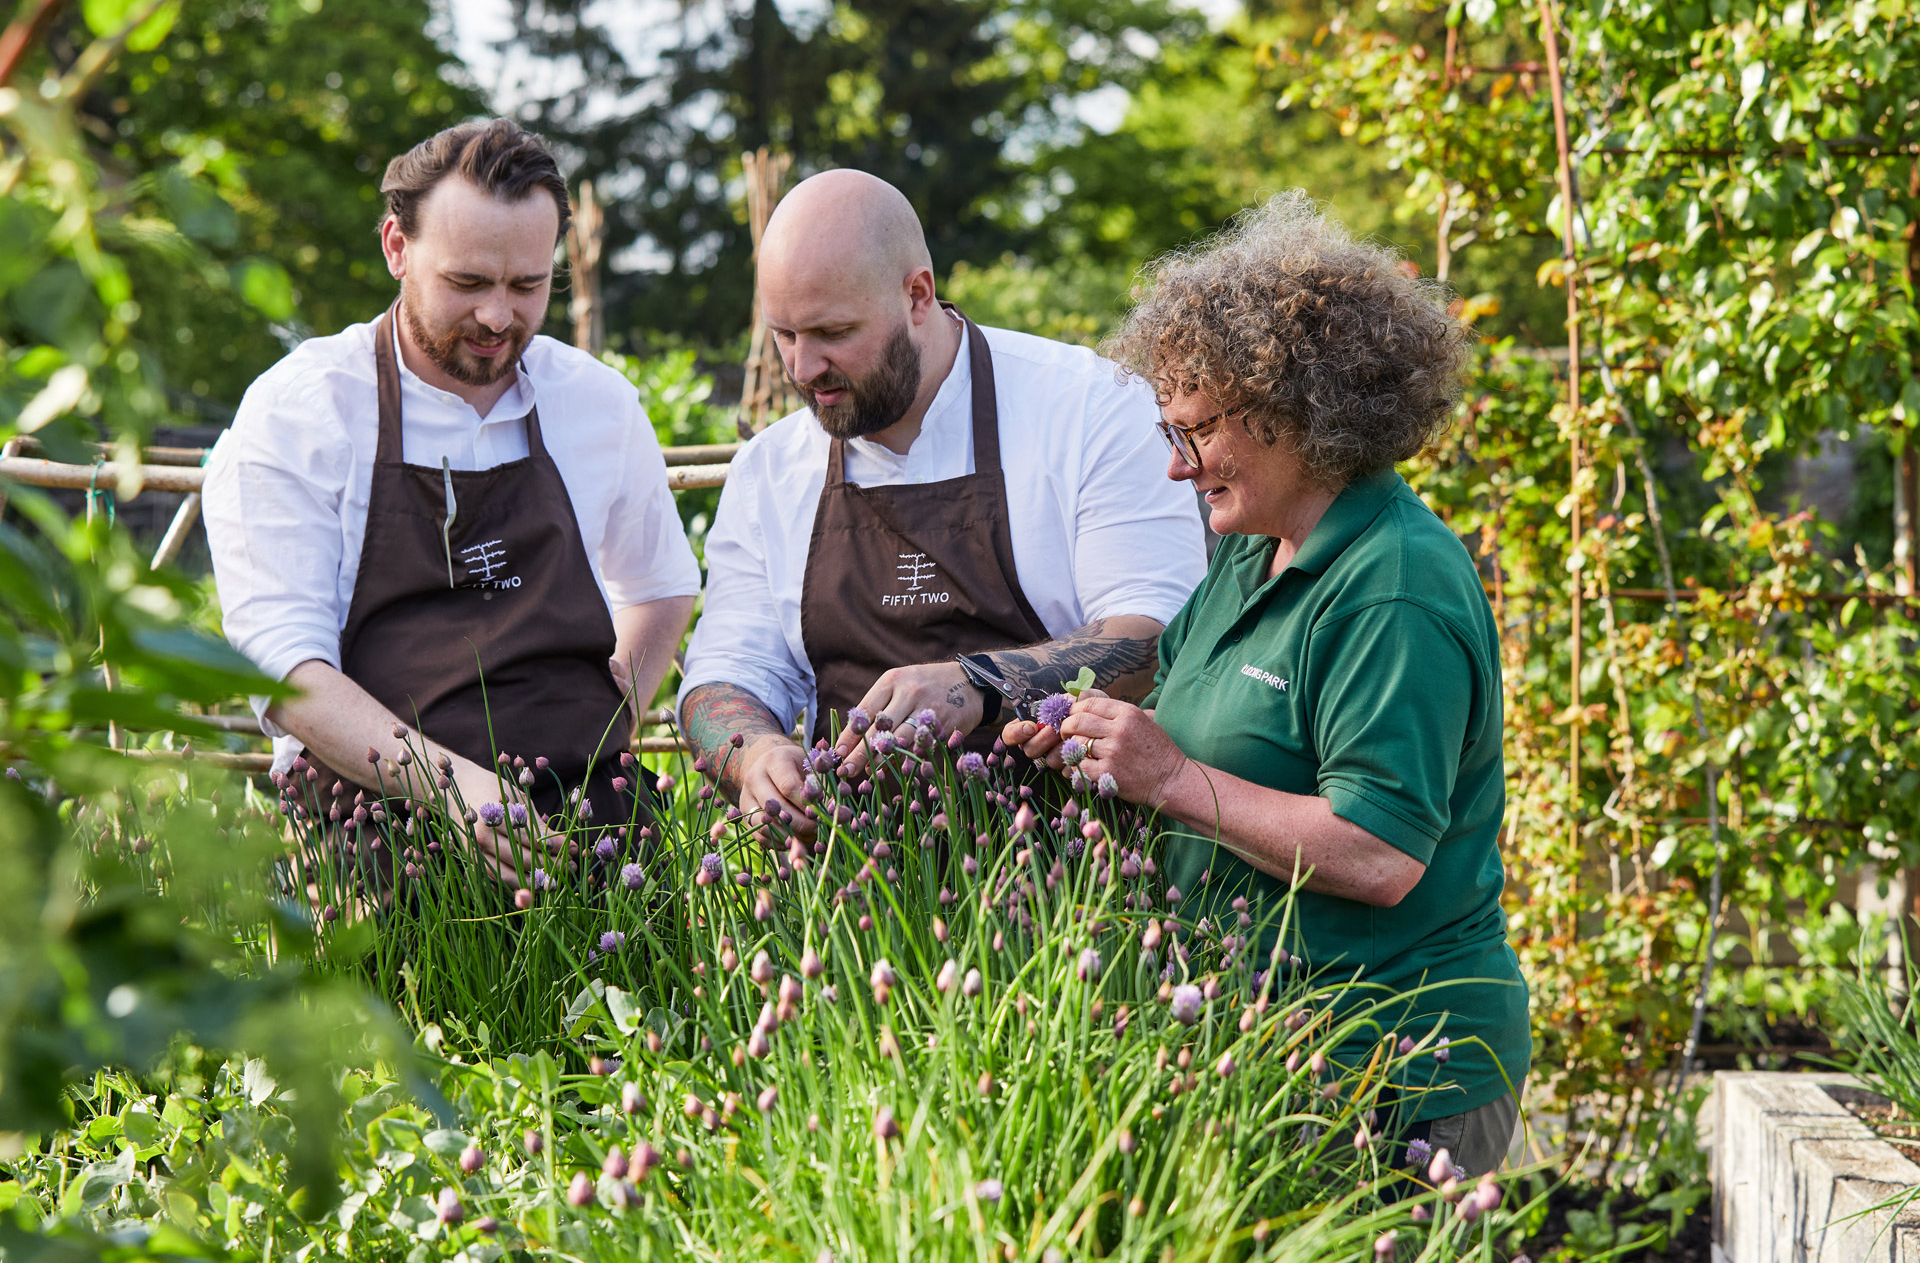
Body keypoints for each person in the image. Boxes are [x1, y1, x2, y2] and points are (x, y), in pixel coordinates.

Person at [1008, 192, 1528, 1176]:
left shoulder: (1393, 587)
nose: (1174, 466)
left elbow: (1379, 854)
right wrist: (1095, 745)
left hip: (1396, 1073)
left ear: (1296, 411)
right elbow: (1193, 731)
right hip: (1277, 1054)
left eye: (1195, 429)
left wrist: (1166, 778)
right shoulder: (1255, 555)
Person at [204, 119, 699, 884]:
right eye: (468, 283)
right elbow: (285, 665)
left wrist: (606, 730)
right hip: (377, 823)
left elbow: (661, 584)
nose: (500, 317)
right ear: (397, 248)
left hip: (587, 824)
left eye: (528, 285)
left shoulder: (596, 405)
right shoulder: (305, 409)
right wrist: (452, 786)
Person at [679, 170, 1206, 822]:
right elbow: (721, 676)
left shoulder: (1088, 407)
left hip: (1077, 878)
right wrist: (755, 757)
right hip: (852, 890)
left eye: (834, 332)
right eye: (785, 334)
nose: (802, 368)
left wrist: (975, 685)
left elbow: (1161, 634)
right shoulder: (770, 470)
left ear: (917, 295)